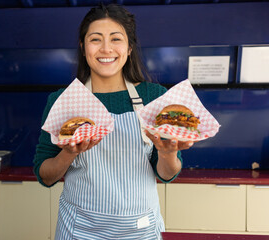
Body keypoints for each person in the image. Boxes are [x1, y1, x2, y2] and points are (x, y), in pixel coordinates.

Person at [34, 4, 194, 240]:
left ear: (129, 48)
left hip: (139, 229)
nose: (106, 48)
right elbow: (45, 175)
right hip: (80, 229)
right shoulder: (62, 101)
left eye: (116, 39)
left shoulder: (155, 97)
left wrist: (168, 153)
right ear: (83, 47)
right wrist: (67, 154)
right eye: (95, 39)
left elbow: (166, 174)